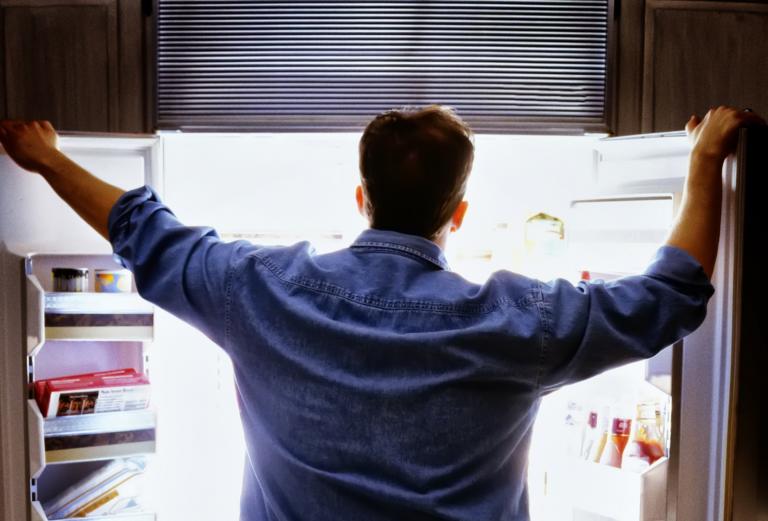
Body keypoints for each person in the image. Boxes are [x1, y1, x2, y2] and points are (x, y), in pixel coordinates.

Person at [0, 106, 764, 521]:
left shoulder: (259, 286)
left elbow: (141, 227)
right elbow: (672, 294)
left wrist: (48, 158)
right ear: (459, 212)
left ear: (360, 199)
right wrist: (702, 165)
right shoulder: (519, 320)